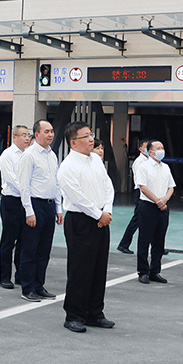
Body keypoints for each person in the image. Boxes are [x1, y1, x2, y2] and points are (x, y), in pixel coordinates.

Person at [57, 121, 115, 333]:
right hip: (81, 220)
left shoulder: (96, 160)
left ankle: (94, 313)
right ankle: (74, 315)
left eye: (91, 134)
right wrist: (99, 214)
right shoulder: (68, 166)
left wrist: (106, 211)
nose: (92, 139)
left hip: (101, 218)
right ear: (73, 142)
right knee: (80, 269)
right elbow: (77, 197)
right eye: (86, 136)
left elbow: (108, 186)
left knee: (99, 268)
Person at [18, 120, 63, 302]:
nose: (50, 134)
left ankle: (39, 285)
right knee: (30, 249)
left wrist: (59, 208)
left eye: (52, 131)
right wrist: (29, 211)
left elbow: (57, 183)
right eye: (46, 131)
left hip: (50, 206)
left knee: (44, 249)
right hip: (35, 204)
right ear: (36, 135)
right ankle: (27, 288)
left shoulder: (52, 155)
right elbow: (24, 186)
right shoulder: (29, 155)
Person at [135, 139, 175, 284]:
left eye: (162, 147)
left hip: (163, 207)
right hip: (148, 206)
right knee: (144, 239)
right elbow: (143, 187)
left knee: (159, 240)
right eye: (158, 148)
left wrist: (164, 200)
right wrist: (157, 201)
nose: (161, 150)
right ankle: (143, 271)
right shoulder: (143, 166)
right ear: (150, 152)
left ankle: (155, 271)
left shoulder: (165, 167)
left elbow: (171, 187)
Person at [0, 125, 31, 289]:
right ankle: (4, 276)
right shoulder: (7, 155)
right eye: (24, 135)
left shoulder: (28, 154)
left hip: (25, 201)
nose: (27, 138)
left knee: (24, 240)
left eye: (28, 135)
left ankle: (20, 274)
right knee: (9, 240)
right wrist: (27, 192)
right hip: (12, 200)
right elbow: (13, 180)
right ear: (14, 137)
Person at [117, 138, 150, 254]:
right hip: (141, 191)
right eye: (146, 147)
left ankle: (156, 244)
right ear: (140, 149)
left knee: (150, 220)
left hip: (147, 192)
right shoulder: (139, 162)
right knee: (137, 219)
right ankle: (124, 244)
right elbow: (140, 180)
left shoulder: (149, 160)